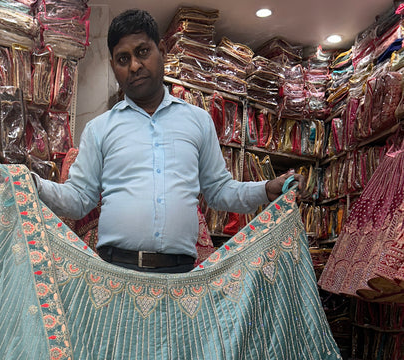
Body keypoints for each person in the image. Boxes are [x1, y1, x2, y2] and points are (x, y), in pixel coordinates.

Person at [32, 9, 301, 273]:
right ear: (114, 67)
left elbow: (220, 191)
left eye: (142, 52)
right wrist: (33, 185)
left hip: (181, 276)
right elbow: (79, 199)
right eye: (123, 59)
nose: (134, 66)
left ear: (162, 50)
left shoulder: (198, 121)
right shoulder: (99, 129)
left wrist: (266, 189)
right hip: (115, 272)